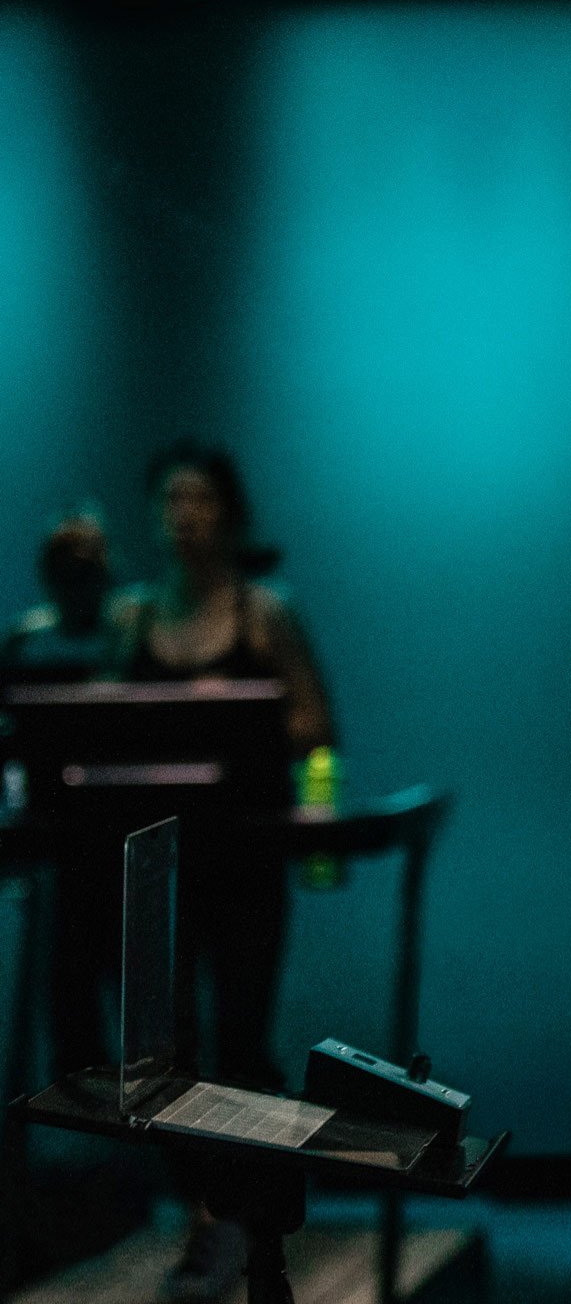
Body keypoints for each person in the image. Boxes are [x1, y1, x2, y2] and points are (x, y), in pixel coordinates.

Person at [108, 441, 337, 1302]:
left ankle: (250, 1218)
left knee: (242, 1040)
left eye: (200, 499)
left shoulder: (262, 612)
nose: (183, 515)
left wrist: (232, 727)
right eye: (170, 499)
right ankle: (205, 1214)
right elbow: (95, 725)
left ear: (230, 514)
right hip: (157, 867)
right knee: (164, 1051)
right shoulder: (133, 617)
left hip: (242, 857)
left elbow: (315, 720)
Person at [0, 511, 119, 685]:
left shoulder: (129, 634)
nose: (76, 586)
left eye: (84, 572)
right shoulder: (24, 642)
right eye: (66, 572)